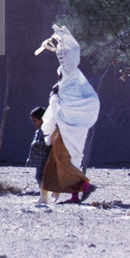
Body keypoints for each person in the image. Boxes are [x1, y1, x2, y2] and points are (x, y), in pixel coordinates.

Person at [34, 24, 100, 204]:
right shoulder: (65, 86)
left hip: (71, 130)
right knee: (61, 163)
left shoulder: (73, 85)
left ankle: (85, 185)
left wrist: (56, 98)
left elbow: (69, 106)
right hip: (65, 129)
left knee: (66, 161)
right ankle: (74, 195)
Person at [25, 106, 54, 204]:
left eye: (35, 121)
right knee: (40, 177)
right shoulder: (39, 130)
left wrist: (36, 143)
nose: (34, 124)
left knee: (41, 177)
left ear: (42, 119)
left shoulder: (46, 130)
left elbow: (48, 143)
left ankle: (44, 198)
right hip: (40, 161)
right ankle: (44, 196)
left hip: (44, 160)